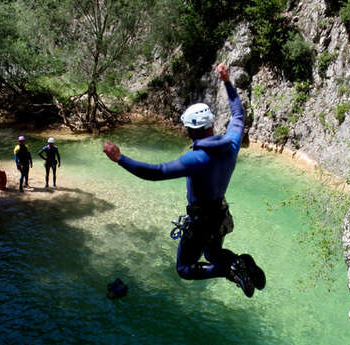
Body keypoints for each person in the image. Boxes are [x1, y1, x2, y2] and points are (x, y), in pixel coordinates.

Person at [103, 63, 265, 298]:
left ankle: (231, 270)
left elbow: (156, 172)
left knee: (185, 269)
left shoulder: (196, 159)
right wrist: (227, 82)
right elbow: (238, 114)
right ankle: (238, 263)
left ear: (190, 130)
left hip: (201, 222)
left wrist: (120, 158)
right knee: (211, 254)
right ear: (211, 124)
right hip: (220, 214)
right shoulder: (231, 144)